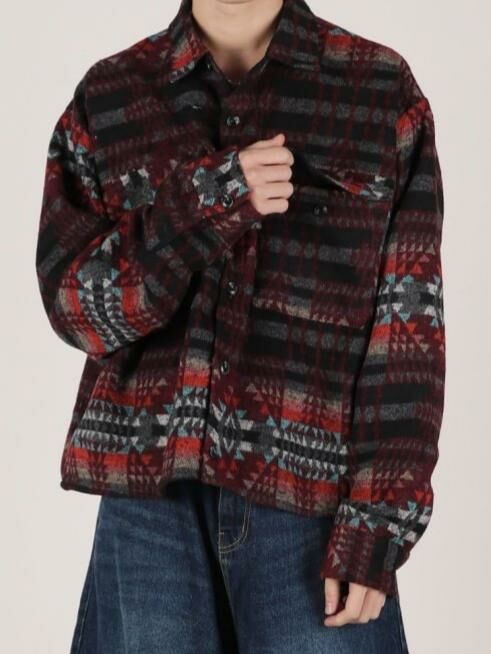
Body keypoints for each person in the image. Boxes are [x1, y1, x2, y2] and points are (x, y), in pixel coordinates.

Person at [35, 0, 445, 651]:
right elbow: (76, 312)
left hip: (313, 506)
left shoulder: (377, 89)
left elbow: (408, 326)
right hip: (149, 507)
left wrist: (379, 520)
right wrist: (207, 201)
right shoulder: (111, 96)